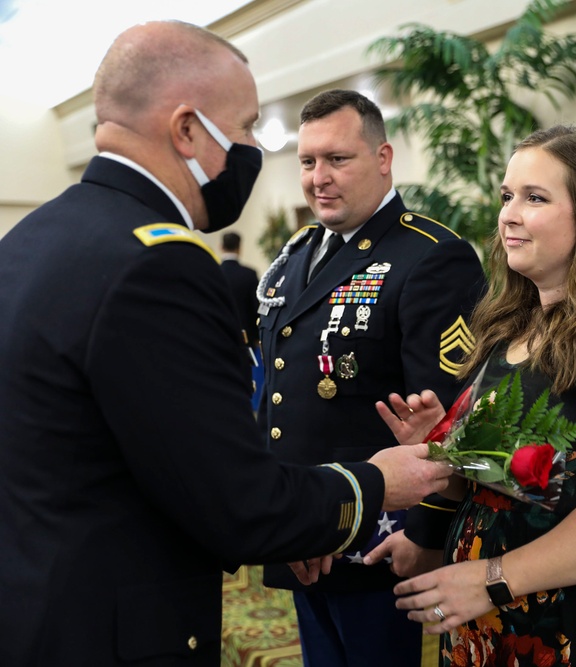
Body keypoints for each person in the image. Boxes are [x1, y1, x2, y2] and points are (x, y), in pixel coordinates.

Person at [0, 22, 450, 666]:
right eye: (243, 129)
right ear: (188, 129)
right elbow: (237, 503)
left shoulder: (32, 238)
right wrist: (372, 484)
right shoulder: (159, 263)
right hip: (110, 623)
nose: (251, 150)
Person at [370, 125, 576, 665]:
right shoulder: (510, 326)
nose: (508, 214)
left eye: (534, 198)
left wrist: (491, 580)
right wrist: (443, 447)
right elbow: (524, 476)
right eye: (507, 196)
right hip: (493, 614)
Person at [255, 89, 485, 666]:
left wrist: (427, 534)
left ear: (383, 159)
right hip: (308, 527)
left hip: (384, 543)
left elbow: (452, 418)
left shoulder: (430, 256)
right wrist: (284, 517)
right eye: (307, 162)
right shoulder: (297, 255)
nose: (319, 178)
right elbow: (279, 398)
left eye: (338, 159)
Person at [219, 231, 265, 409]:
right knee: (250, 375)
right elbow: (257, 308)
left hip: (220, 335)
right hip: (246, 337)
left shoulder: (215, 272)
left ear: (221, 246)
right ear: (240, 248)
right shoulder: (249, 274)